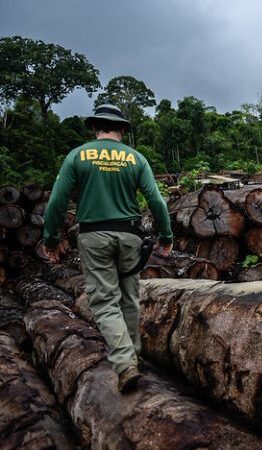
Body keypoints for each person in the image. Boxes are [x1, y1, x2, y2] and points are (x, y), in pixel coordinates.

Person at [42, 104, 173, 393]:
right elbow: (157, 201)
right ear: (122, 129)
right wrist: (166, 235)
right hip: (130, 236)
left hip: (94, 236)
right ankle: (132, 356)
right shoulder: (136, 158)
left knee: (104, 302)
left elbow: (56, 203)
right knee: (129, 297)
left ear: (95, 127)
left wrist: (50, 238)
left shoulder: (78, 155)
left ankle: (126, 364)